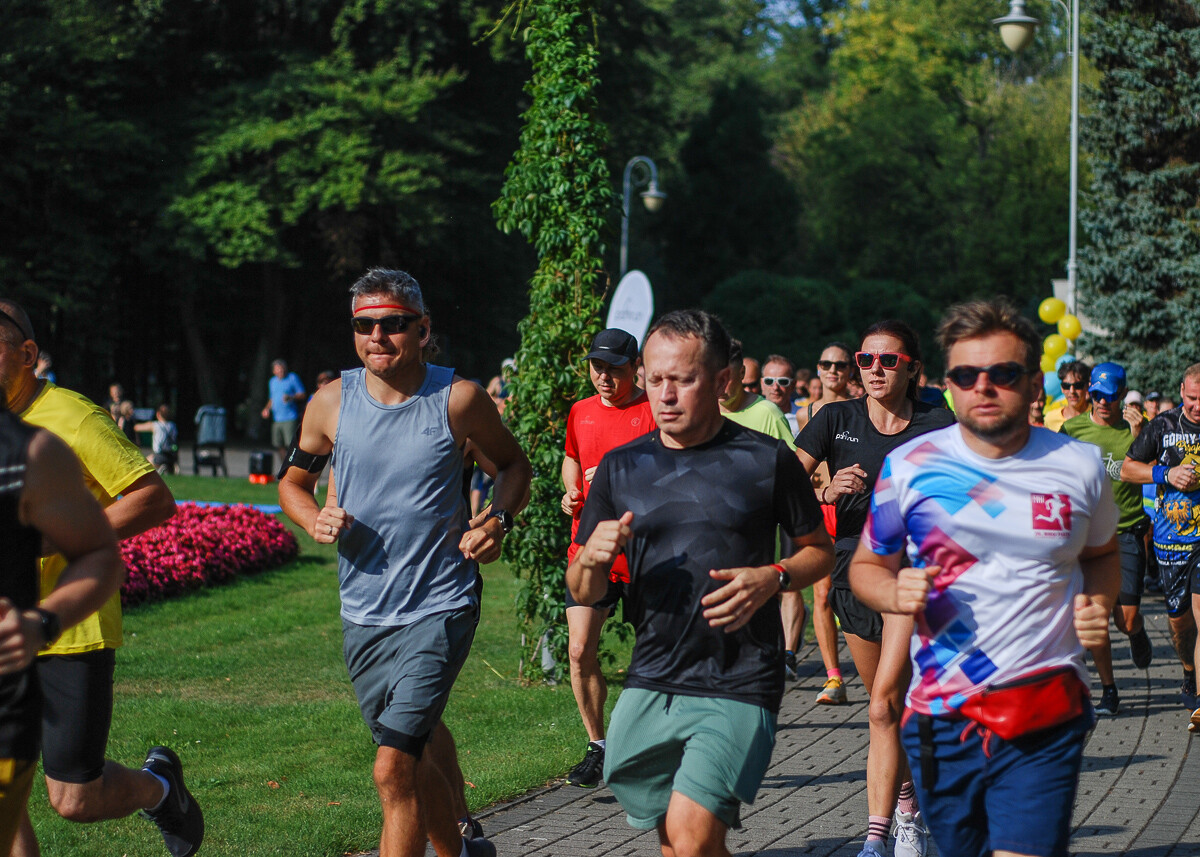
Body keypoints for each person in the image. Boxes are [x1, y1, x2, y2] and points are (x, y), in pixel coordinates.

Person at [851, 298, 1120, 857]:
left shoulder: (1079, 466)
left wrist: (1097, 600)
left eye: (1003, 373)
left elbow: (1102, 554)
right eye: (966, 375)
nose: (983, 387)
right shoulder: (910, 466)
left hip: (1044, 701)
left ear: (1034, 383)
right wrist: (893, 590)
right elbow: (867, 566)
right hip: (942, 711)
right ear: (946, 384)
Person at [278, 268, 531, 857]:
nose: (377, 336)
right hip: (364, 612)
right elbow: (293, 482)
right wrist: (312, 518)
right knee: (411, 760)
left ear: (422, 329)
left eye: (393, 324)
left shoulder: (458, 399)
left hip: (441, 602)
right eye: (363, 325)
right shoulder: (329, 403)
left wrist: (496, 521)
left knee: (391, 766)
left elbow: (513, 466)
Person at [568, 309, 833, 857]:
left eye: (682, 380)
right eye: (655, 379)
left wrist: (774, 576)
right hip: (653, 674)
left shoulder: (766, 460)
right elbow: (583, 588)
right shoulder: (621, 468)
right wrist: (590, 562)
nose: (665, 395)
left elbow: (819, 552)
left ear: (720, 381)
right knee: (676, 838)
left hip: (740, 675)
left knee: (691, 835)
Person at [0, 300, 196, 857]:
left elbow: (152, 498)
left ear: (28, 355)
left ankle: (160, 787)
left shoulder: (72, 417)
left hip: (68, 628)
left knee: (74, 798)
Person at [795, 320, 954, 857]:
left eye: (889, 360)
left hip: (912, 572)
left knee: (885, 705)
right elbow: (784, 484)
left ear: (913, 368)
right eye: (866, 360)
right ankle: (909, 802)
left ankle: (878, 837)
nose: (875, 370)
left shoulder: (937, 421)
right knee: (883, 704)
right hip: (854, 569)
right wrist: (825, 491)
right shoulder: (835, 418)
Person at [0, 398, 125, 854]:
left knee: (75, 796)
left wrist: (41, 621)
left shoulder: (29, 452)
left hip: (35, 666)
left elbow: (103, 552)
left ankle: (159, 788)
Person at [559, 328, 655, 788]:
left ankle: (653, 745)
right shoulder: (580, 411)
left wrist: (621, 477)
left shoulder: (654, 411)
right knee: (579, 650)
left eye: (614, 369)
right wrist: (571, 489)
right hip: (588, 550)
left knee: (653, 657)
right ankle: (597, 746)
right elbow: (572, 458)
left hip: (644, 552)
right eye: (597, 367)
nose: (604, 377)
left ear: (634, 367)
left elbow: (673, 473)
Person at [1060, 362, 1153, 716]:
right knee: (1094, 615)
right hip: (1087, 537)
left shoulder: (1137, 429)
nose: (1102, 402)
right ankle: (1109, 689)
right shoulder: (1072, 430)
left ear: (1122, 396)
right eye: (1096, 395)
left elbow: (1156, 473)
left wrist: (1140, 434)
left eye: (1110, 396)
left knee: (1125, 619)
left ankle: (1137, 631)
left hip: (1127, 531)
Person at [720, 342, 806, 681]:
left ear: (742, 374)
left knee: (763, 594)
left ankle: (779, 658)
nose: (721, 385)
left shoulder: (766, 413)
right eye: (714, 375)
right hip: (711, 526)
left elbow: (794, 465)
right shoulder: (701, 410)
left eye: (728, 376)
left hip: (757, 525)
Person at [1122, 363, 1200, 724]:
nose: (1197, 406)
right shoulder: (1163, 426)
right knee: (1180, 624)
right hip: (1171, 542)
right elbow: (1127, 469)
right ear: (1182, 391)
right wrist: (1166, 473)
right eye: (1192, 398)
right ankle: (1189, 672)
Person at [796, 342, 856, 705]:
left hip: (854, 508)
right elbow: (800, 469)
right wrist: (818, 495)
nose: (832, 370)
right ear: (818, 369)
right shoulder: (806, 413)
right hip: (821, 507)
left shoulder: (861, 408)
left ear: (850, 371)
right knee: (822, 593)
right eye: (826, 364)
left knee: (859, 591)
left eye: (840, 365)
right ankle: (834, 677)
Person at [261, 359, 305, 465]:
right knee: (278, 444)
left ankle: (294, 466)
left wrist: (291, 397)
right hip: (277, 418)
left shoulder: (292, 378)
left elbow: (302, 394)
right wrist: (266, 409)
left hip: (290, 417)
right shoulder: (272, 382)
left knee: (291, 444)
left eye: (282, 369)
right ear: (274, 371)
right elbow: (272, 398)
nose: (280, 371)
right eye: (278, 370)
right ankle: (284, 466)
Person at [1043, 360, 1091, 432]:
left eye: (1078, 385)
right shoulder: (1050, 419)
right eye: (1066, 386)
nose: (1072, 391)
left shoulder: (1096, 416)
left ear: (1087, 386)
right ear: (1062, 388)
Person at [135, 405, 179, 475]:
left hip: (159, 455)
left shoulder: (155, 425)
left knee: (143, 464)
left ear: (158, 414)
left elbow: (136, 427)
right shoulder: (173, 425)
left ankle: (159, 466)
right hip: (171, 455)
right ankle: (167, 467)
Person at [761, 354, 798, 435]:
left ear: (793, 385)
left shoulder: (805, 418)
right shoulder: (752, 416)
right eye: (769, 381)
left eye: (782, 382)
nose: (775, 387)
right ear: (762, 384)